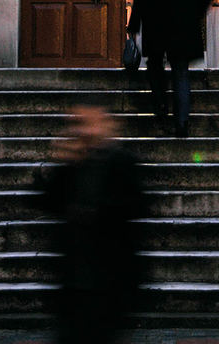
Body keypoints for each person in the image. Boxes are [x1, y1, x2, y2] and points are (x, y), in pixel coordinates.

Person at [37, 104, 144, 344]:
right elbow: (46, 201)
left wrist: (95, 212)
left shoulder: (121, 161)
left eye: (87, 123)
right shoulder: (72, 162)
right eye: (77, 124)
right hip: (75, 278)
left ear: (105, 124)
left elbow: (136, 205)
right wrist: (63, 164)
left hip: (109, 278)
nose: (82, 131)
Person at [128, 0, 217, 137]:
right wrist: (197, 10)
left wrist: (133, 26)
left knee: (155, 67)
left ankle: (160, 105)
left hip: (156, 27)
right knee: (181, 72)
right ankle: (182, 121)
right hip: (183, 28)